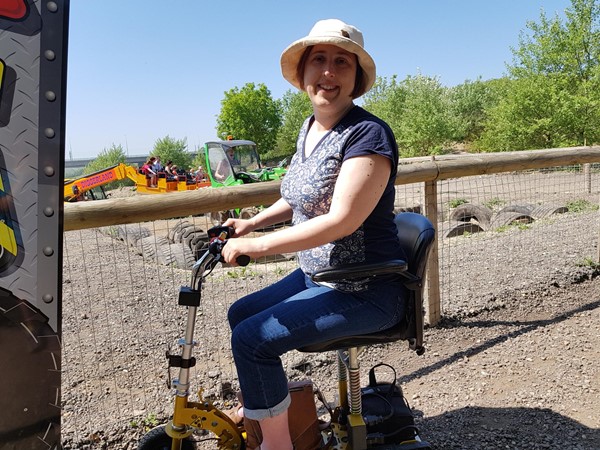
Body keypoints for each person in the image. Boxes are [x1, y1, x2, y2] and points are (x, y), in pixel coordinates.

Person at [221, 19, 405, 450]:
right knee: (240, 315)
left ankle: (278, 444)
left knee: (252, 341)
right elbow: (299, 197)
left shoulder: (368, 135)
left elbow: (343, 220)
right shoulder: (310, 129)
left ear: (356, 78)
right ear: (302, 74)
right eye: (318, 60)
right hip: (319, 276)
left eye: (341, 62)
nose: (328, 71)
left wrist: (257, 246)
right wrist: (251, 223)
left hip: (366, 289)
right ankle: (274, 415)